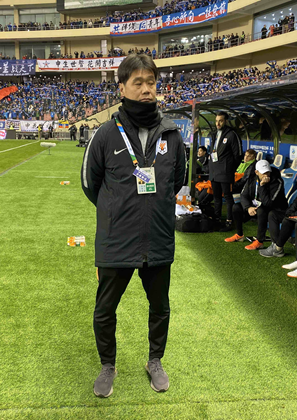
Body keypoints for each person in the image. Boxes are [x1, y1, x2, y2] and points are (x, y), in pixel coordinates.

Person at [81, 53, 186, 398]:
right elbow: (90, 184)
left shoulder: (172, 135)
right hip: (116, 240)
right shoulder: (105, 134)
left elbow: (177, 181)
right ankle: (107, 365)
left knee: (160, 308)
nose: (146, 89)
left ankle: (155, 361)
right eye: (138, 82)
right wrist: (117, 212)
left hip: (158, 239)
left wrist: (152, 210)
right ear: (122, 88)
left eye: (151, 82)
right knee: (104, 309)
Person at [226, 159, 287, 250]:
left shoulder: (277, 181)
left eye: (268, 172)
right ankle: (239, 235)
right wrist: (248, 207)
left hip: (273, 209)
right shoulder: (252, 179)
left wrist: (262, 186)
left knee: (261, 210)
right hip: (255, 206)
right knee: (236, 207)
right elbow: (243, 195)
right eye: (263, 173)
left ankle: (259, 241)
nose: (266, 175)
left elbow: (268, 203)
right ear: (256, 172)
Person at [209, 112, 242, 232]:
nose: (218, 123)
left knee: (228, 197)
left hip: (225, 172)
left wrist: (229, 168)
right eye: (216, 121)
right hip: (214, 171)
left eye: (221, 121)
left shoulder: (232, 134)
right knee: (216, 197)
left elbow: (238, 155)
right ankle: (217, 219)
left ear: (226, 121)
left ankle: (229, 221)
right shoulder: (214, 134)